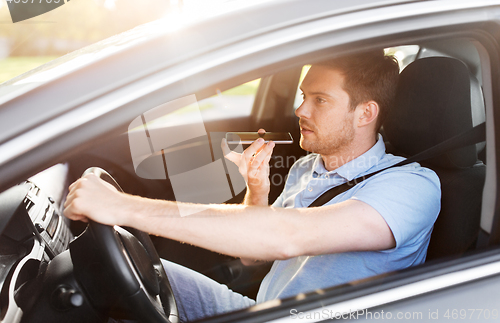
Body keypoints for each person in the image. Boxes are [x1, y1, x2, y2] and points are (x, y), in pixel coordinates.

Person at [64, 50, 440, 322]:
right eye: (303, 96)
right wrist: (257, 193)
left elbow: (287, 237)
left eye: (320, 100)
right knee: (145, 272)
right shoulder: (309, 166)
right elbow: (255, 257)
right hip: (259, 310)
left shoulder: (412, 186)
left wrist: (122, 207)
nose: (301, 110)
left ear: (365, 113)